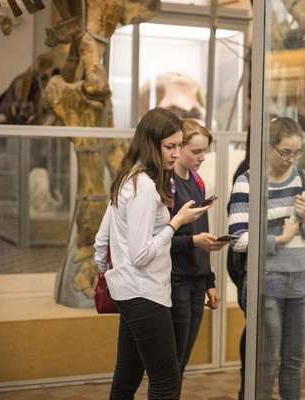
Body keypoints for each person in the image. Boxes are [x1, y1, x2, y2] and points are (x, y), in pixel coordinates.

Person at [94, 107, 212, 400]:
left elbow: (102, 237)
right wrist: (176, 223)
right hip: (144, 292)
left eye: (177, 145)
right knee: (167, 381)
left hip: (133, 290)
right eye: (169, 147)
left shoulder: (131, 176)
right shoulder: (144, 186)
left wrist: (104, 266)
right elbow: (141, 255)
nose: (175, 153)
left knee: (127, 379)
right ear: (151, 143)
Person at [228, 117, 305, 400]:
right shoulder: (247, 183)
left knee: (294, 363)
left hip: (301, 278)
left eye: (297, 153)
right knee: (267, 363)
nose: (291, 159)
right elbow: (238, 239)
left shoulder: (304, 179)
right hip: (267, 280)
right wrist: (278, 239)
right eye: (285, 152)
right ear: (269, 147)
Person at [170, 119, 227, 381]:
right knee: (173, 363)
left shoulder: (197, 181)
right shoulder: (166, 183)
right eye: (196, 151)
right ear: (177, 147)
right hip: (175, 278)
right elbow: (159, 240)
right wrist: (194, 242)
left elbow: (199, 232)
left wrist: (209, 281)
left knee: (182, 361)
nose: (202, 157)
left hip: (196, 277)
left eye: (205, 151)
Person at [226, 126, 250, 400]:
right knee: (253, 324)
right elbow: (239, 235)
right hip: (244, 262)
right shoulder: (245, 173)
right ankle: (248, 386)